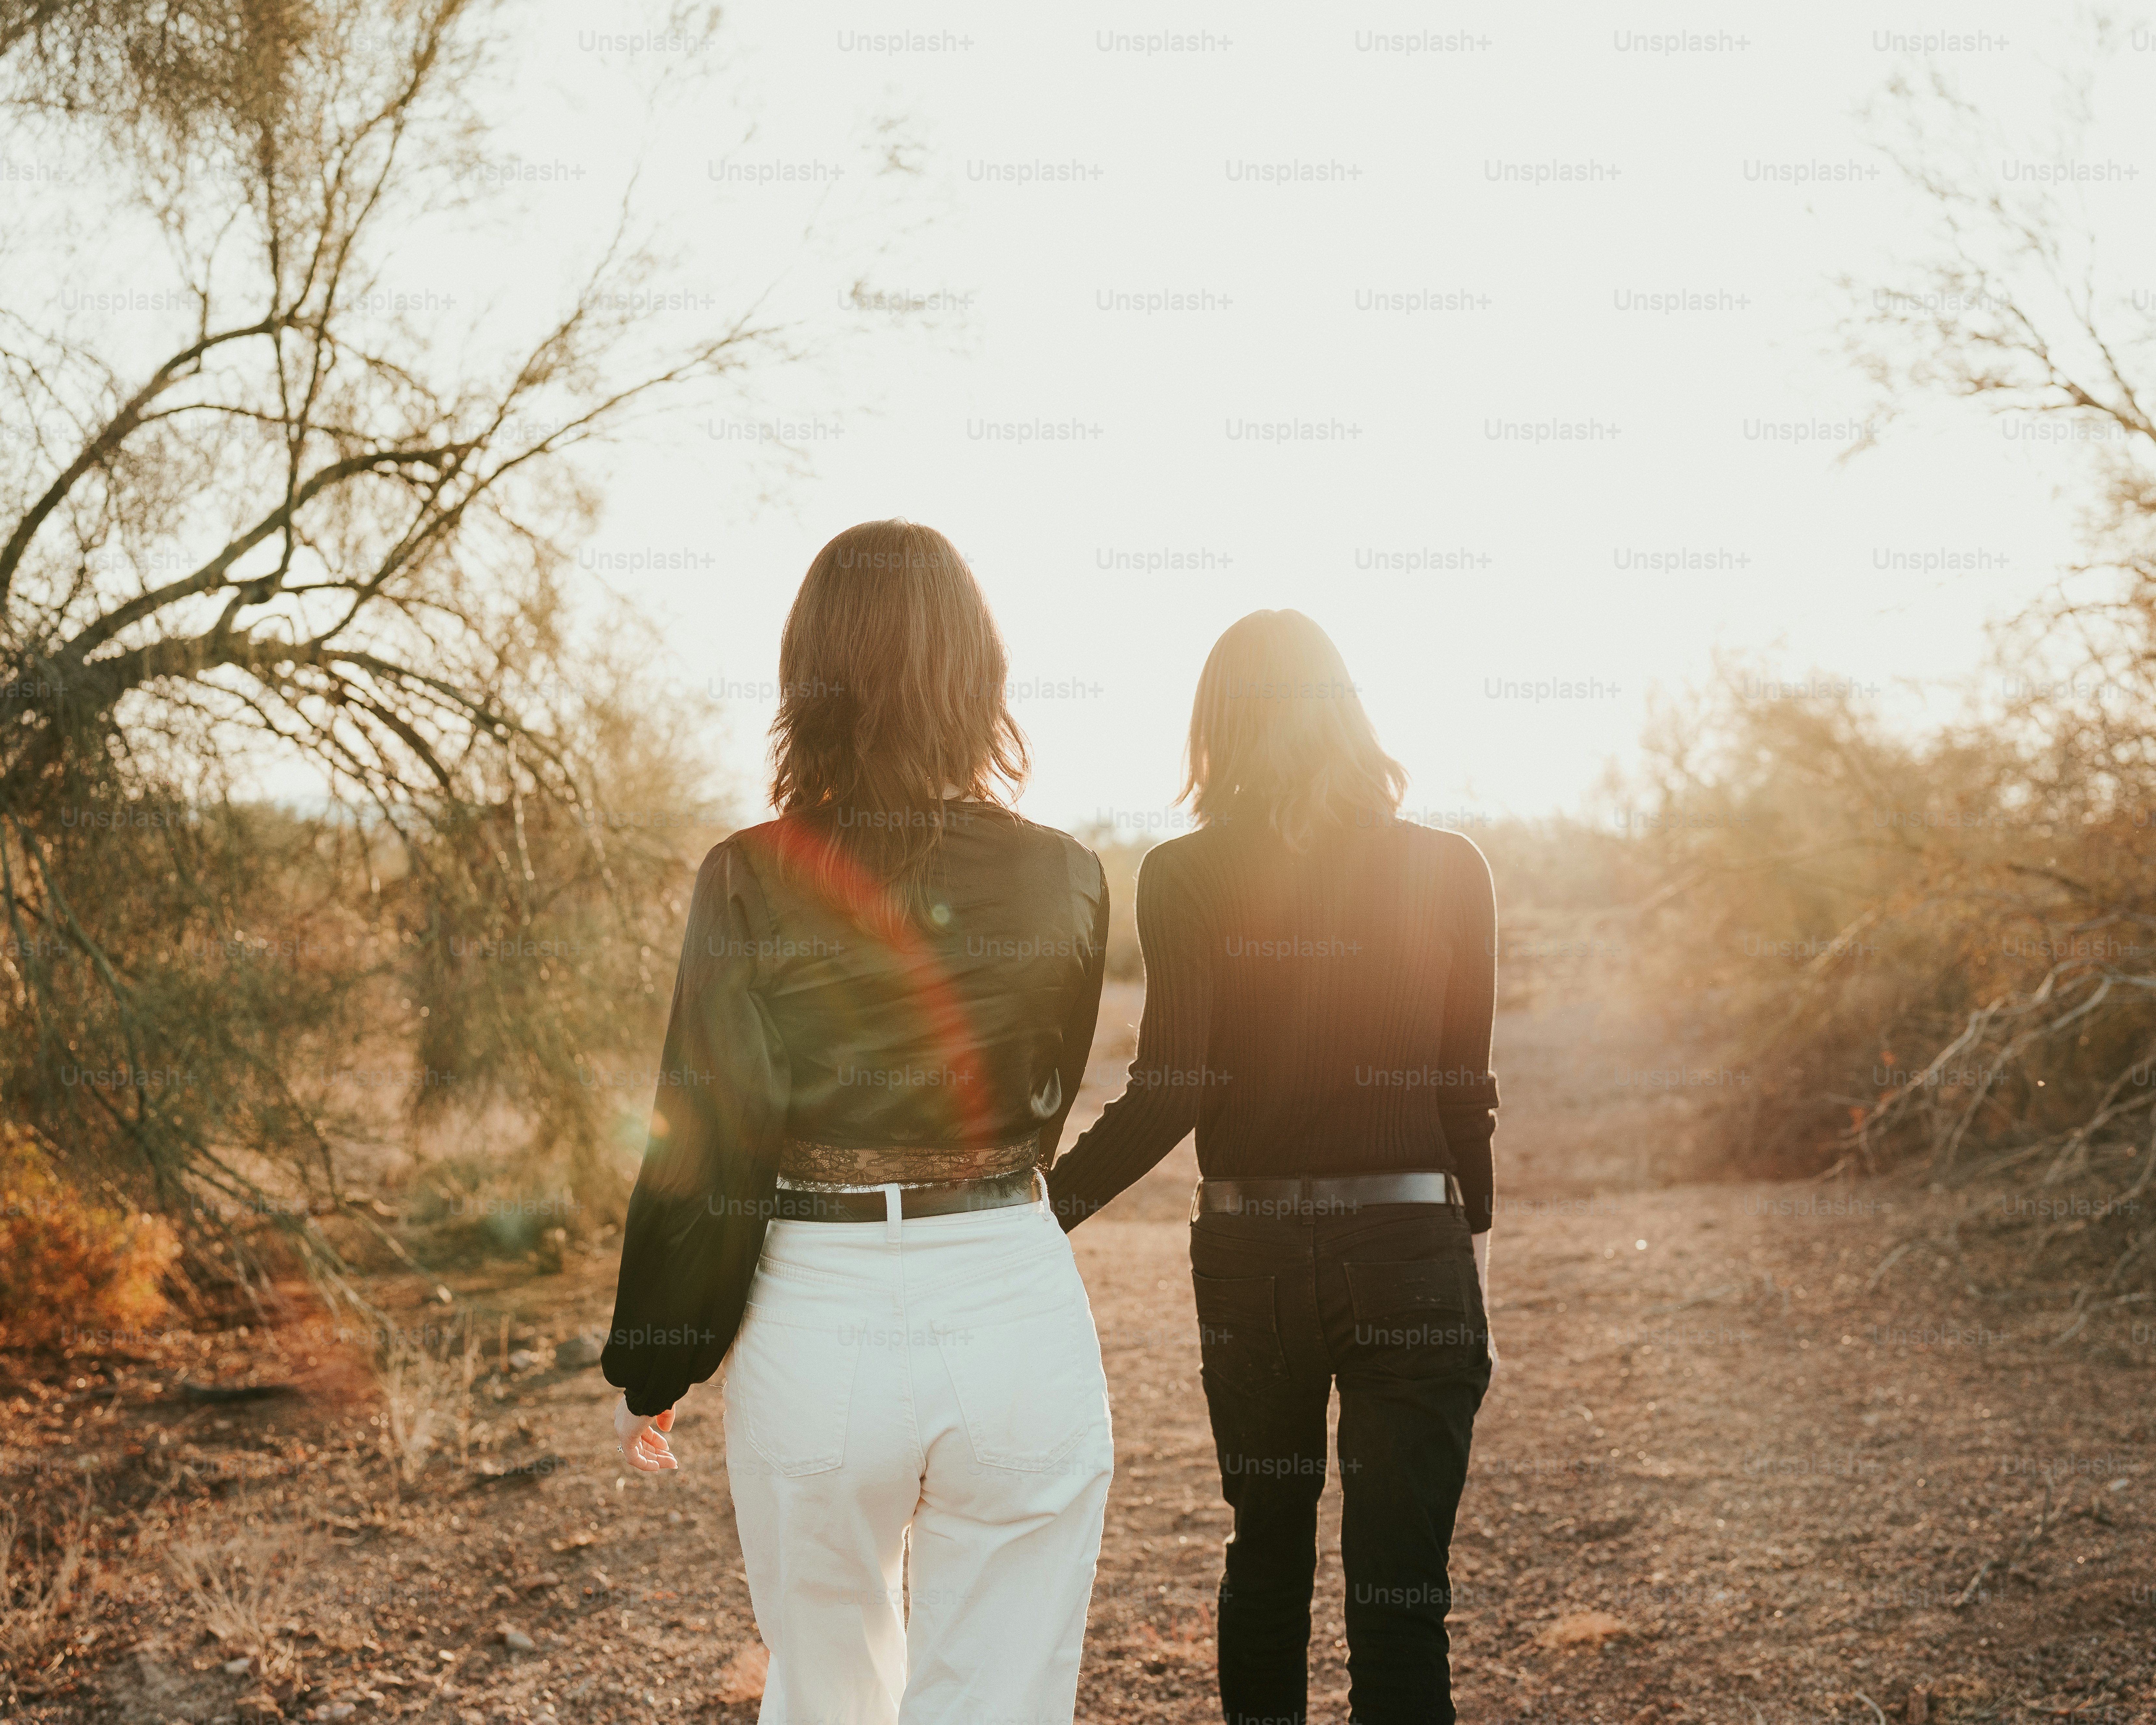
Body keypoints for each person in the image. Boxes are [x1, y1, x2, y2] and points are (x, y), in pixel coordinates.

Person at [601, 520, 1114, 1725]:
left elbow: (706, 1133)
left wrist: (661, 1359)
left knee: (827, 1692)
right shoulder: (1070, 875)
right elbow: (1041, 1105)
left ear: (808, 675)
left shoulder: (749, 871)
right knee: (1002, 1692)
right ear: (980, 673)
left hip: (818, 1313)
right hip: (1013, 1293)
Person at [1045, 609, 1498, 1725]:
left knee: (1267, 1564)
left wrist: (1040, 1205)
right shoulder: (1450, 869)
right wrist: (1456, 1231)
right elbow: (1461, 1092)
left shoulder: (1186, 876)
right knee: (1402, 1599)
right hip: (1409, 1245)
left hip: (1251, 1259)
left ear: (1215, 731)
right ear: (1349, 714)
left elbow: (1175, 1088)